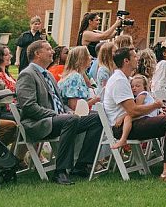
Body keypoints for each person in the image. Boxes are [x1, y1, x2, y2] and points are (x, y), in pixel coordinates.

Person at [15, 40, 103, 185]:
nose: (52, 52)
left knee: (97, 118)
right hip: (39, 123)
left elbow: (60, 102)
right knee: (71, 120)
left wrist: (68, 112)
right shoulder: (27, 74)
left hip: (60, 118)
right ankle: (60, 171)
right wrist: (57, 115)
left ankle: (81, 165)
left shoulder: (48, 75)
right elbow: (29, 106)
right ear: (37, 54)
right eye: (48, 49)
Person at [102, 46, 166, 184]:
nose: (137, 59)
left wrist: (162, 112)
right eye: (134, 57)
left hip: (133, 121)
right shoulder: (119, 81)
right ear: (126, 61)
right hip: (124, 127)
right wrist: (154, 107)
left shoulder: (125, 79)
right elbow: (133, 111)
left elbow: (133, 110)